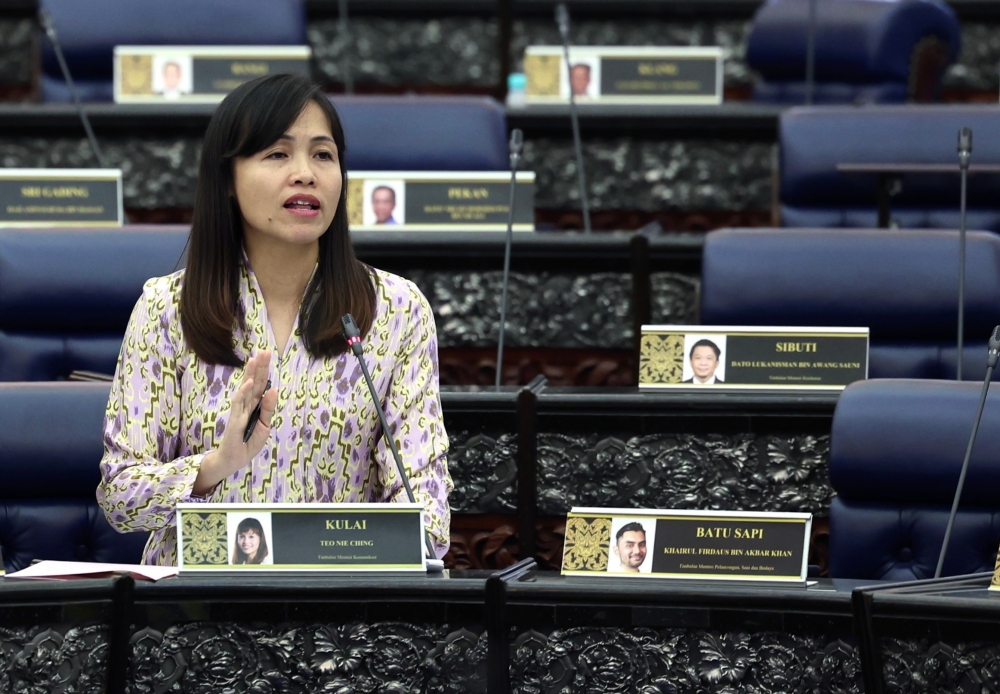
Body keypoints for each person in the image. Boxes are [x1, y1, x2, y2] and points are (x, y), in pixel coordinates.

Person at [97, 74, 453, 566]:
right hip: (199, 600)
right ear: (227, 179)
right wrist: (215, 465)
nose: (305, 174)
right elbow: (120, 496)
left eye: (323, 154)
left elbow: (428, 520)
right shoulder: (166, 308)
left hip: (341, 600)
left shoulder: (396, 309)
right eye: (278, 154)